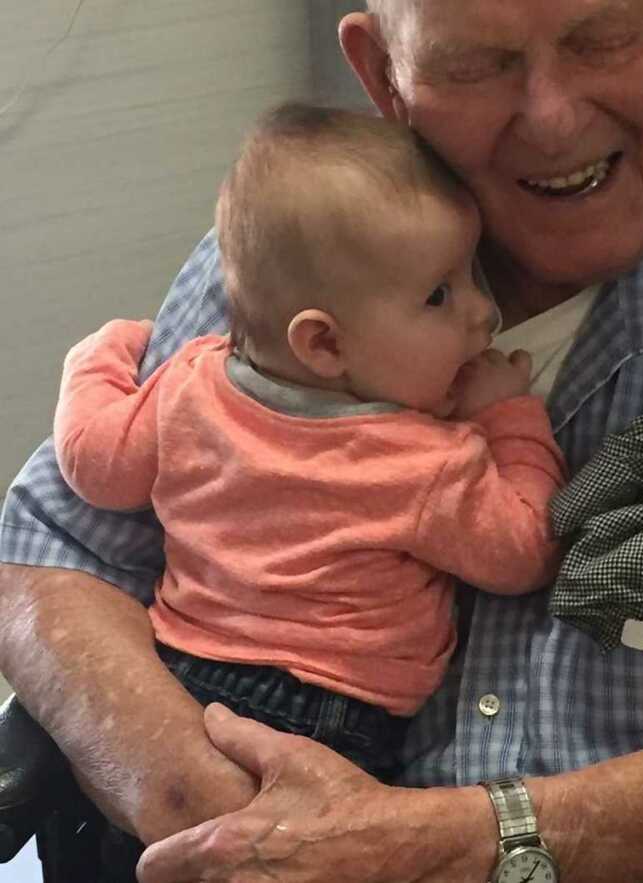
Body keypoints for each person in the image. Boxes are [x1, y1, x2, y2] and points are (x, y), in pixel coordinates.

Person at [1, 0, 643, 880]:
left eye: (607, 38)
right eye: (476, 64)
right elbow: (48, 555)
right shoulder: (319, 230)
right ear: (382, 74)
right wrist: (222, 816)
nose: (552, 120)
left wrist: (466, 844)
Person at [50, 102, 565, 787]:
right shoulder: (421, 461)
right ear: (323, 343)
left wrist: (102, 354)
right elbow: (526, 547)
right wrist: (510, 416)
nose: (484, 311)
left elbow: (93, 460)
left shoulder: (188, 387)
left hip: (180, 683)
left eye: (475, 272)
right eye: (440, 295)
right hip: (335, 716)